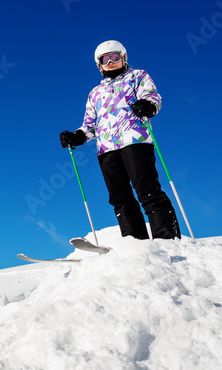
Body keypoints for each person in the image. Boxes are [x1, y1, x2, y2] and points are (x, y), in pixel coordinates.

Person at [59, 40, 181, 240]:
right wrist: (77, 136)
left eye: (115, 57)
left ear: (123, 58)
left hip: (135, 140)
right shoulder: (95, 93)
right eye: (105, 59)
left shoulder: (137, 76)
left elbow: (153, 97)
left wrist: (148, 106)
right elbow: (89, 125)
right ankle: (135, 241)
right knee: (119, 196)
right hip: (107, 149)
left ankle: (167, 237)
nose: (110, 62)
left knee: (146, 188)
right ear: (99, 65)